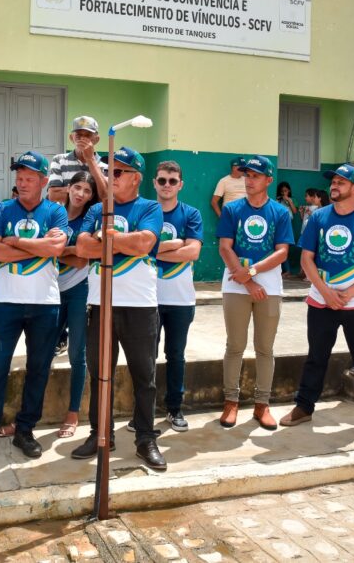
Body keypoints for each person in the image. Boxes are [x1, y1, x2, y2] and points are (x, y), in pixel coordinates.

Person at [0, 152, 68, 467]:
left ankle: (25, 430)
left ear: (43, 181)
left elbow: (57, 248)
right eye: (19, 178)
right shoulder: (1, 209)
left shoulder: (55, 211)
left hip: (45, 304)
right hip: (7, 302)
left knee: (39, 369)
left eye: (29, 178)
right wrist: (37, 248)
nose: (22, 183)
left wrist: (14, 242)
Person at [70, 146, 167, 471]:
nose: (111, 176)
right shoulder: (99, 209)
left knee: (144, 376)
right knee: (100, 374)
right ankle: (100, 435)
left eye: (119, 172)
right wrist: (117, 240)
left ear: (136, 177)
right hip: (101, 305)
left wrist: (105, 237)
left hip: (140, 306)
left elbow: (144, 243)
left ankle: (145, 439)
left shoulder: (149, 207)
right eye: (109, 171)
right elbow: (82, 247)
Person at [280, 164, 354, 440]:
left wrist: (351, 292)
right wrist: (325, 291)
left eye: (341, 182)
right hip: (322, 302)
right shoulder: (318, 217)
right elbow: (306, 259)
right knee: (316, 357)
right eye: (333, 181)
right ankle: (304, 407)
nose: (334, 185)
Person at [217, 156, 293, 430]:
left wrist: (250, 272)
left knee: (265, 348)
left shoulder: (280, 212)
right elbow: (225, 247)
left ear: (268, 180)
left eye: (255, 176)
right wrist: (248, 282)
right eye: (247, 175)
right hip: (235, 286)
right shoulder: (232, 209)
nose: (249, 180)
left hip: (269, 288)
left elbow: (282, 252)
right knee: (235, 345)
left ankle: (262, 404)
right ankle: (231, 402)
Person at [150, 160, 203, 432]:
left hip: (181, 300)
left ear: (180, 184)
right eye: (162, 180)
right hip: (148, 298)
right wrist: (176, 243)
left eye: (172, 181)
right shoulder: (145, 212)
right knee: (146, 358)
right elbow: (137, 248)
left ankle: (174, 408)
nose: (167, 185)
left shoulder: (191, 214)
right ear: (154, 183)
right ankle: (143, 413)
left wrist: (153, 249)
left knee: (176, 356)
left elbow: (193, 252)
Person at [54, 171, 98, 438]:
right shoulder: (55, 214)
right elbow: (43, 250)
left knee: (76, 354)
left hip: (79, 290)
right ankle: (28, 415)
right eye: (77, 187)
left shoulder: (88, 221)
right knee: (42, 351)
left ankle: (72, 413)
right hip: (50, 290)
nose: (81, 194)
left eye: (87, 190)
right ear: (69, 188)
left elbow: (83, 259)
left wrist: (57, 251)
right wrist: (68, 251)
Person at [47, 116, 108, 205]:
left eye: (88, 135)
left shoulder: (105, 164)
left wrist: (90, 160)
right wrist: (92, 192)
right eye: (78, 135)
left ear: (96, 139)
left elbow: (105, 196)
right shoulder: (59, 160)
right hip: (65, 214)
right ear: (72, 138)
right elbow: (53, 195)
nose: (82, 139)